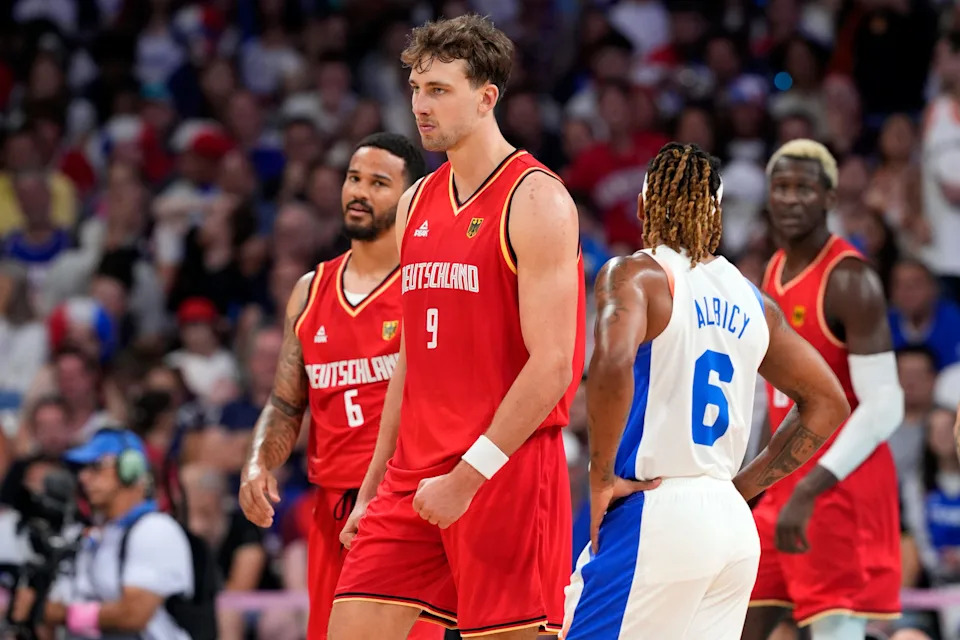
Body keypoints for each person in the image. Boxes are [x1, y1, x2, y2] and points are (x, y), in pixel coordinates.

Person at [328, 14, 586, 640]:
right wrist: (370, 489)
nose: (420, 105)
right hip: (412, 479)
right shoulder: (415, 201)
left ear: (486, 96)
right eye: (416, 88)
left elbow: (555, 364)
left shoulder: (536, 199)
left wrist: (468, 478)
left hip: (505, 472)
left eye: (439, 90)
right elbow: (410, 362)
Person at [560, 143, 850, 640]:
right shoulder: (753, 299)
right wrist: (742, 488)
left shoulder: (636, 274)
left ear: (643, 205)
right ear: (716, 215)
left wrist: (601, 473)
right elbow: (828, 402)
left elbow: (610, 360)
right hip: (730, 529)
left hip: (656, 511)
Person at [238, 132, 439, 640]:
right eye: (353, 178)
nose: (359, 192)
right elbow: (286, 402)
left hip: (400, 503)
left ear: (411, 197)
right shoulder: (310, 290)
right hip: (329, 507)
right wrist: (259, 461)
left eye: (378, 182)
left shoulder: (426, 285)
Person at [744, 139, 905, 640]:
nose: (791, 199)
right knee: (737, 617)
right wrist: (755, 481)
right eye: (781, 187)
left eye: (804, 189)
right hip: (784, 482)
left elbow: (886, 404)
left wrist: (812, 487)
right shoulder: (773, 269)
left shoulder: (851, 279)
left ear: (830, 198)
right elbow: (769, 397)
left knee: (834, 629)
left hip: (837, 485)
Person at [12, 428, 196, 640]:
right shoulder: (85, 536)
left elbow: (134, 615)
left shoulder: (155, 529)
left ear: (130, 469)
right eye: (82, 469)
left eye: (96, 467)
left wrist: (55, 612)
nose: (84, 477)